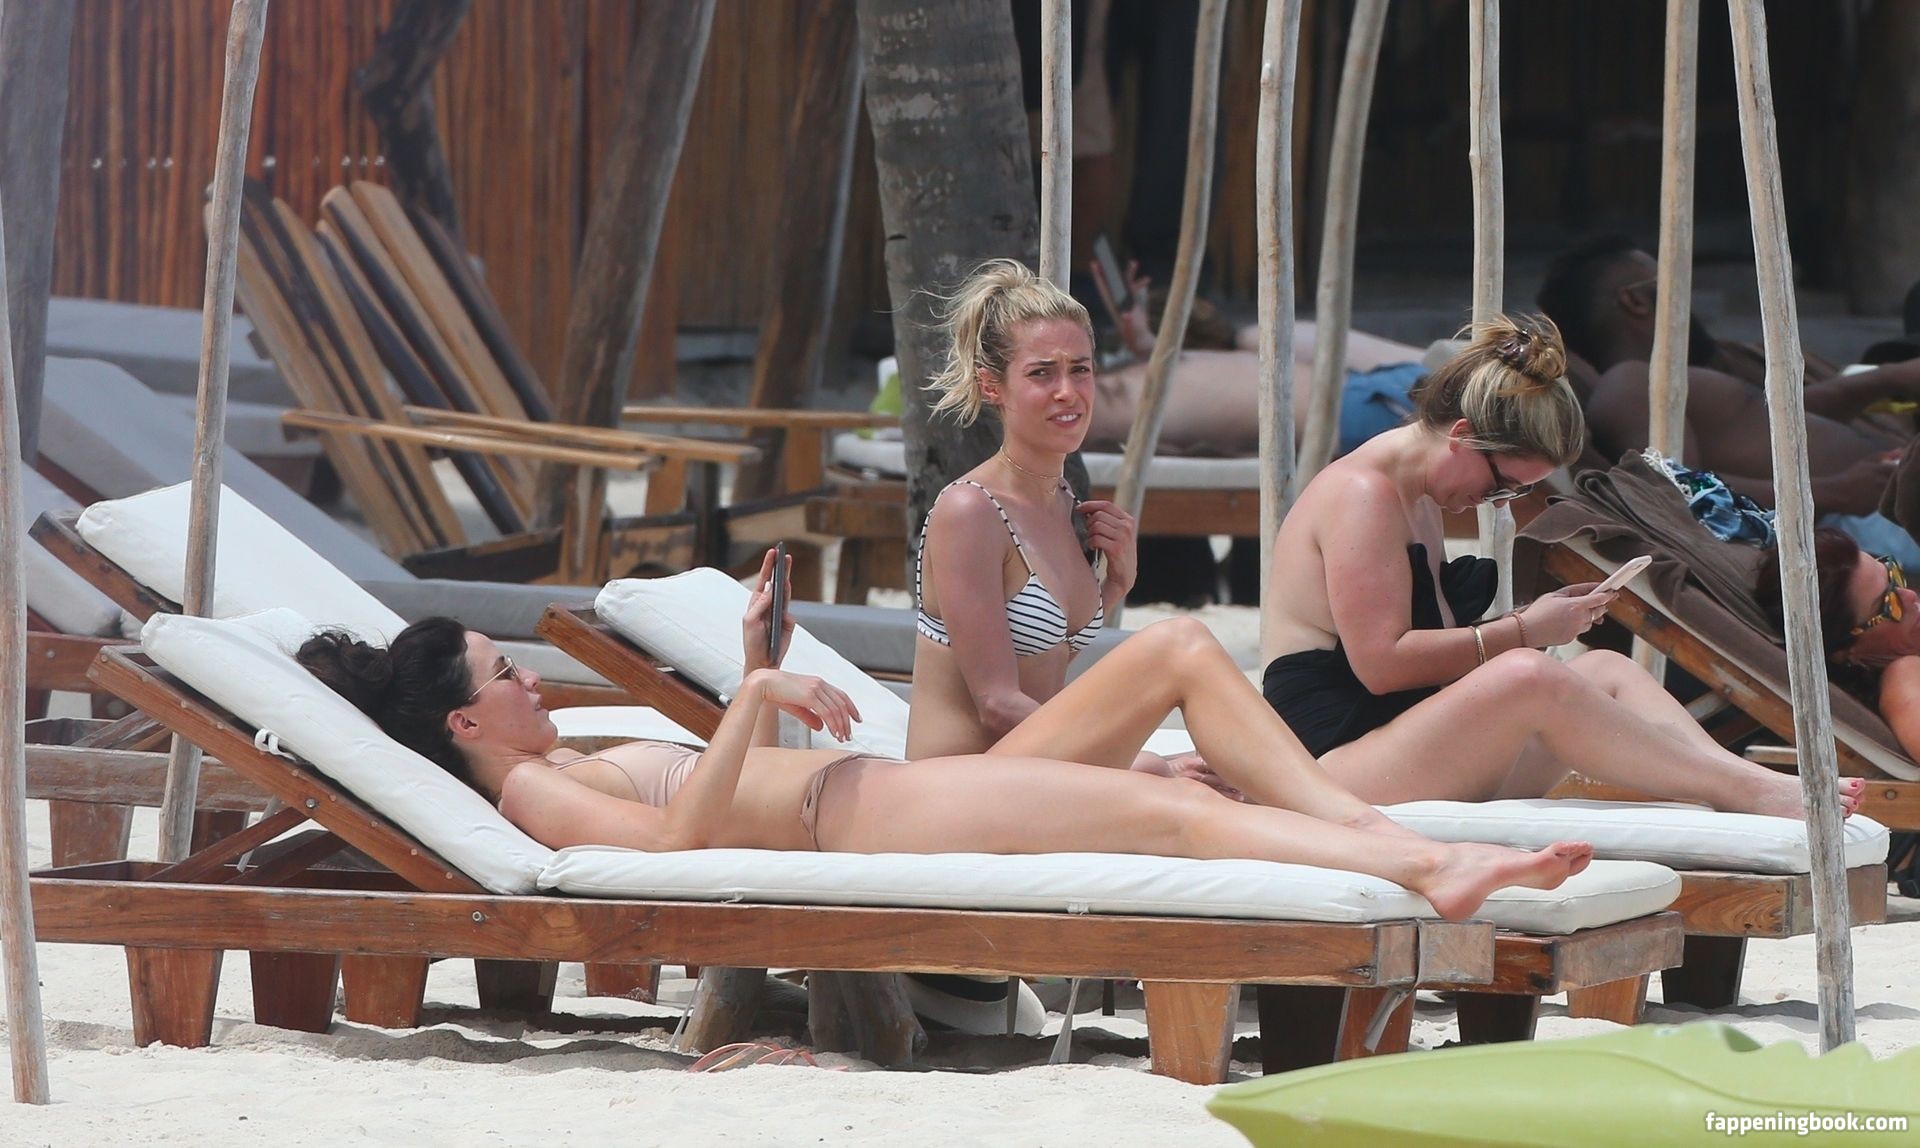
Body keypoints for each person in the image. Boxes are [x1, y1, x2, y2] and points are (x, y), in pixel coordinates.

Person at [295, 549, 1596, 922]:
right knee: (1180, 817)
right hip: (874, 818)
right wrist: (751, 698)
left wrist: (754, 661)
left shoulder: (558, 757)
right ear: (466, 720)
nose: (530, 678)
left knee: (1179, 702)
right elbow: (679, 845)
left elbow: (708, 797)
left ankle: (1398, 847)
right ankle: (1426, 866)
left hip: (883, 793)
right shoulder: (531, 799)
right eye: (506, 673)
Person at [1259, 313, 1865, 821]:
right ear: (1462, 435)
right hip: (1334, 768)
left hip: (1400, 747)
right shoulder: (1363, 496)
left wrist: (1536, 624)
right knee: (1529, 674)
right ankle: (1744, 790)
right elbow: (1382, 666)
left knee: (1606, 670)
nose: (1496, 502)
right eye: (1500, 484)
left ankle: (1740, 781)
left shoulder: (1415, 496)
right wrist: (1525, 631)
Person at [1536, 235, 1920, 561]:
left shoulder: (1674, 380)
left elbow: (1780, 425)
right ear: (1635, 300)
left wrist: (1884, 379)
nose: (1687, 292)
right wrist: (1837, 490)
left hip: (1885, 504)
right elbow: (1675, 493)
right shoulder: (1628, 384)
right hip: (1868, 520)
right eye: (1672, 278)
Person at [1755, 527, 1920, 759]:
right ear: (1848, 650)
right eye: (1888, 604)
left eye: (1893, 574)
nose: (1910, 596)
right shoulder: (1903, 676)